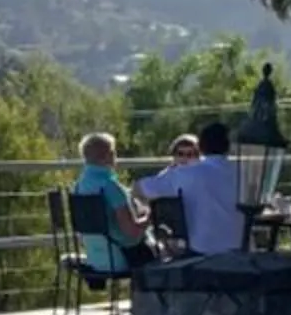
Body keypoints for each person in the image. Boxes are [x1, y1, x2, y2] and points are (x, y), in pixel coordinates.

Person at [135, 117, 247, 256]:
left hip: (200, 251)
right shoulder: (243, 173)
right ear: (229, 147)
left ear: (200, 147)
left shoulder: (185, 174)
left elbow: (139, 188)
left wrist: (151, 210)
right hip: (240, 249)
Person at [70, 131, 152, 276]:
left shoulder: (77, 187)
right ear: (108, 155)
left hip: (94, 257)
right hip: (121, 255)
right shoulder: (109, 186)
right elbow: (131, 231)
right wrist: (150, 216)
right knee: (166, 256)